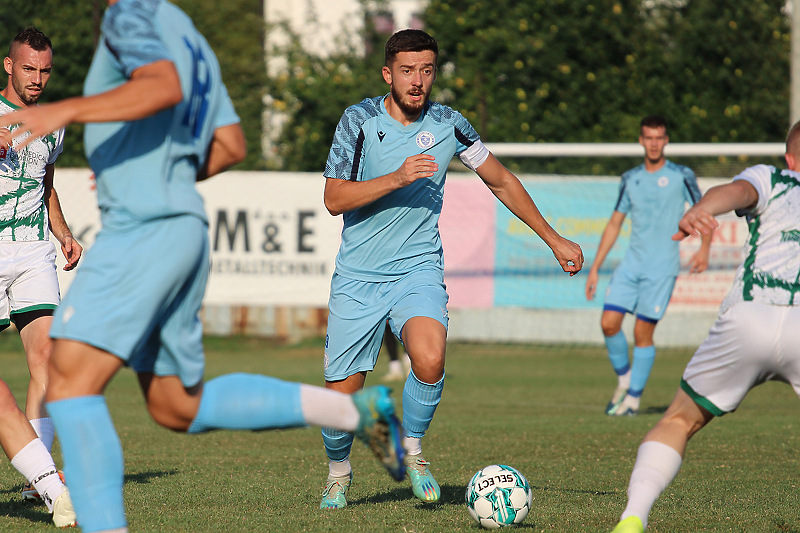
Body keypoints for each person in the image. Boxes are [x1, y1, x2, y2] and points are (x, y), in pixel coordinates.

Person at [0, 2, 405, 532]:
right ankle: (354, 410)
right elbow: (231, 145)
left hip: (141, 233)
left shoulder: (131, 17)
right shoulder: (191, 38)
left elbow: (163, 87)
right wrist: (154, 173)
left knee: (71, 385)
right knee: (176, 407)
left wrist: (65, 111)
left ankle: (64, 498)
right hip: (181, 233)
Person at [319, 28, 584, 509]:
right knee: (340, 405)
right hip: (359, 276)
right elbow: (334, 198)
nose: (417, 81)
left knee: (431, 357)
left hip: (417, 268)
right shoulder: (357, 120)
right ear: (388, 74)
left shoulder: (450, 124)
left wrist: (553, 238)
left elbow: (501, 181)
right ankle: (339, 470)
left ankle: (413, 455)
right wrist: (397, 176)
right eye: (407, 71)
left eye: (426, 70)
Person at [610, 120, 800, 533]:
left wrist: (701, 209)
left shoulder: (772, 177)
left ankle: (633, 518)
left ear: (789, 158)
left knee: (679, 419)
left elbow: (735, 193)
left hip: (752, 314)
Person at [0, 26, 82, 528]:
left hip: (32, 251)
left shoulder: (53, 123)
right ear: (7, 66)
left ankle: (41, 481)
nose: (37, 79)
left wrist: (62, 230)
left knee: (50, 357)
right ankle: (45, 476)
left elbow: (44, 180)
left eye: (44, 70)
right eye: (28, 68)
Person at [585, 115, 711, 416]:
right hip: (631, 264)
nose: (654, 143)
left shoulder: (681, 175)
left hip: (662, 267)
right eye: (649, 137)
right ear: (641, 140)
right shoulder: (630, 178)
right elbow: (615, 222)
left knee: (643, 332)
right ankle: (625, 381)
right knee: (608, 323)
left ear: (666, 140)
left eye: (659, 137)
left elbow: (704, 210)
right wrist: (595, 267)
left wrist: (704, 250)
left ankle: (632, 400)